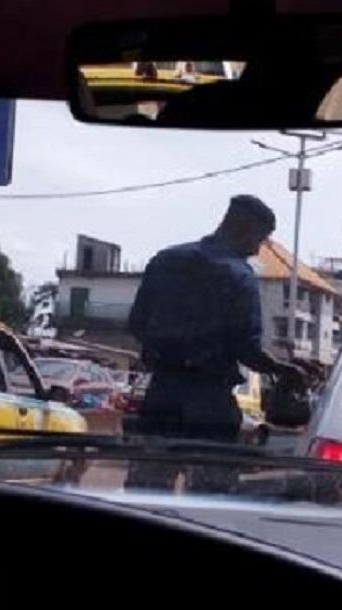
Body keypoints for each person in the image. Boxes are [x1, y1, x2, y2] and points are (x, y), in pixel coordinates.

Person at [125, 194, 306, 491]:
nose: (258, 248)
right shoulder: (239, 276)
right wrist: (283, 369)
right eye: (260, 239)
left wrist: (168, 353)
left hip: (161, 396)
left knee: (147, 491)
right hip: (210, 403)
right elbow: (246, 350)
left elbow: (136, 324)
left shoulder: (165, 260)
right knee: (212, 496)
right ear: (245, 228)